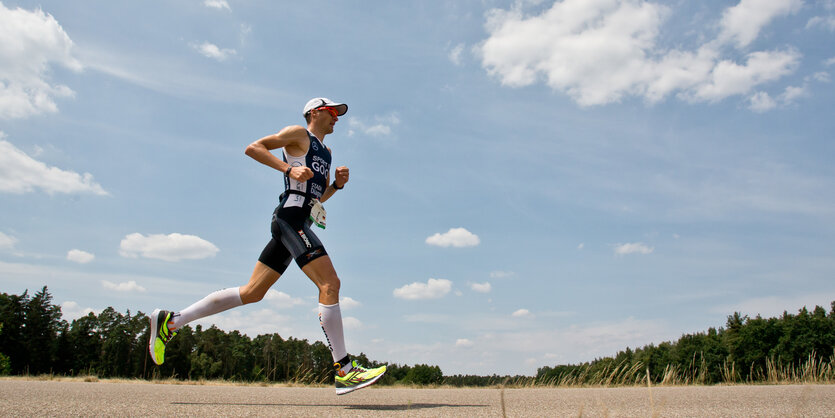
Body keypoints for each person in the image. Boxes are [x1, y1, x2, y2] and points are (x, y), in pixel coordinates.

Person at [148, 97, 386, 395]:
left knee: (252, 292)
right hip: (289, 220)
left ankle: (171, 322)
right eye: (331, 112)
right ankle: (345, 370)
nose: (337, 117)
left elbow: (314, 199)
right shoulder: (299, 134)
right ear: (314, 113)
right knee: (330, 283)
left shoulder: (326, 151)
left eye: (338, 114)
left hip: (300, 221)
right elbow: (254, 148)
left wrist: (335, 186)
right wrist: (287, 170)